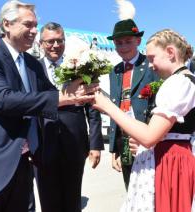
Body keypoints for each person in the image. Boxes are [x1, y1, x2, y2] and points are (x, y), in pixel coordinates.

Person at [0, 1, 96, 211]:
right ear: (7, 24)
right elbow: (4, 100)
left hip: (21, 164)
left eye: (35, 25)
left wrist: (84, 80)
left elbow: (53, 92)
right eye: (28, 25)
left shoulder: (31, 63)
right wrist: (62, 97)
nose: (34, 31)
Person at [93, 29, 195, 212]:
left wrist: (108, 106)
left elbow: (149, 137)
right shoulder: (185, 80)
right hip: (174, 157)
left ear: (170, 52)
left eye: (152, 58)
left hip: (170, 160)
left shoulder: (177, 83)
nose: (150, 65)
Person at [37, 22, 104, 212]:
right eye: (50, 41)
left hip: (75, 141)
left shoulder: (79, 67)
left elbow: (93, 106)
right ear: (41, 43)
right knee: (48, 199)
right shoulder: (32, 68)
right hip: (43, 144)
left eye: (60, 40)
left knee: (73, 197)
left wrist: (95, 144)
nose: (55, 45)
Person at [106, 19, 158, 190]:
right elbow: (115, 107)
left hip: (147, 137)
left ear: (138, 40)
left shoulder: (151, 66)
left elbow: (159, 104)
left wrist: (150, 137)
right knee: (131, 188)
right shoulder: (115, 71)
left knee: (150, 189)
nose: (123, 46)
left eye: (128, 41)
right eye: (118, 43)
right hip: (124, 139)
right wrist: (114, 148)